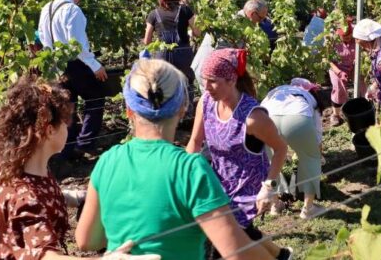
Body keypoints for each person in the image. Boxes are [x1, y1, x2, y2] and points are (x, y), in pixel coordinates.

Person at [75, 59, 273, 260]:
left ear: (129, 110)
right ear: (182, 107)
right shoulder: (190, 169)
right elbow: (236, 251)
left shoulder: (108, 161)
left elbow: (86, 241)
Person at [0, 75, 152, 260]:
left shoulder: (21, 169)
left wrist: (74, 196)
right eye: (65, 123)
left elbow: (39, 196)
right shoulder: (24, 197)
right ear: (49, 130)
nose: (68, 129)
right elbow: (46, 256)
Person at [186, 49, 293, 260]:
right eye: (204, 80)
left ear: (232, 79)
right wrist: (183, 175)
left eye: (213, 81)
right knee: (243, 233)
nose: (206, 87)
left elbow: (280, 148)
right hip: (218, 182)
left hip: (247, 187)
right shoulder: (206, 103)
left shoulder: (253, 118)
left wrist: (268, 187)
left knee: (225, 241)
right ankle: (281, 255)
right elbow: (195, 142)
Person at [38, 0, 107, 158]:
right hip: (74, 63)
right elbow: (78, 45)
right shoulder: (73, 11)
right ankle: (85, 142)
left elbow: (44, 38)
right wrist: (95, 65)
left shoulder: (47, 8)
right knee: (95, 97)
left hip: (55, 64)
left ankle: (65, 150)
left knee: (67, 105)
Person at [261, 78, 327, 220]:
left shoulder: (278, 90)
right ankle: (308, 209)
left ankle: (275, 205)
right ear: (309, 89)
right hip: (298, 118)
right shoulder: (308, 98)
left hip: (267, 117)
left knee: (271, 161)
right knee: (310, 159)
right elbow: (317, 137)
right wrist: (317, 155)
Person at [144, 0, 200, 115]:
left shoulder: (153, 14)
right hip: (183, 54)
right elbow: (197, 32)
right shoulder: (186, 10)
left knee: (163, 85)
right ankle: (186, 115)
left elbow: (147, 40)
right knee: (187, 83)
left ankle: (166, 115)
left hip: (162, 55)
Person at [328, 16, 366, 126]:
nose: (348, 38)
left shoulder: (357, 35)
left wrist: (358, 63)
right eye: (345, 37)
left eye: (350, 36)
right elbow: (327, 60)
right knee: (339, 87)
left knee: (362, 84)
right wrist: (339, 72)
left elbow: (364, 51)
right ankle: (335, 115)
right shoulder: (331, 39)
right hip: (337, 67)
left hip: (354, 65)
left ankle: (363, 108)